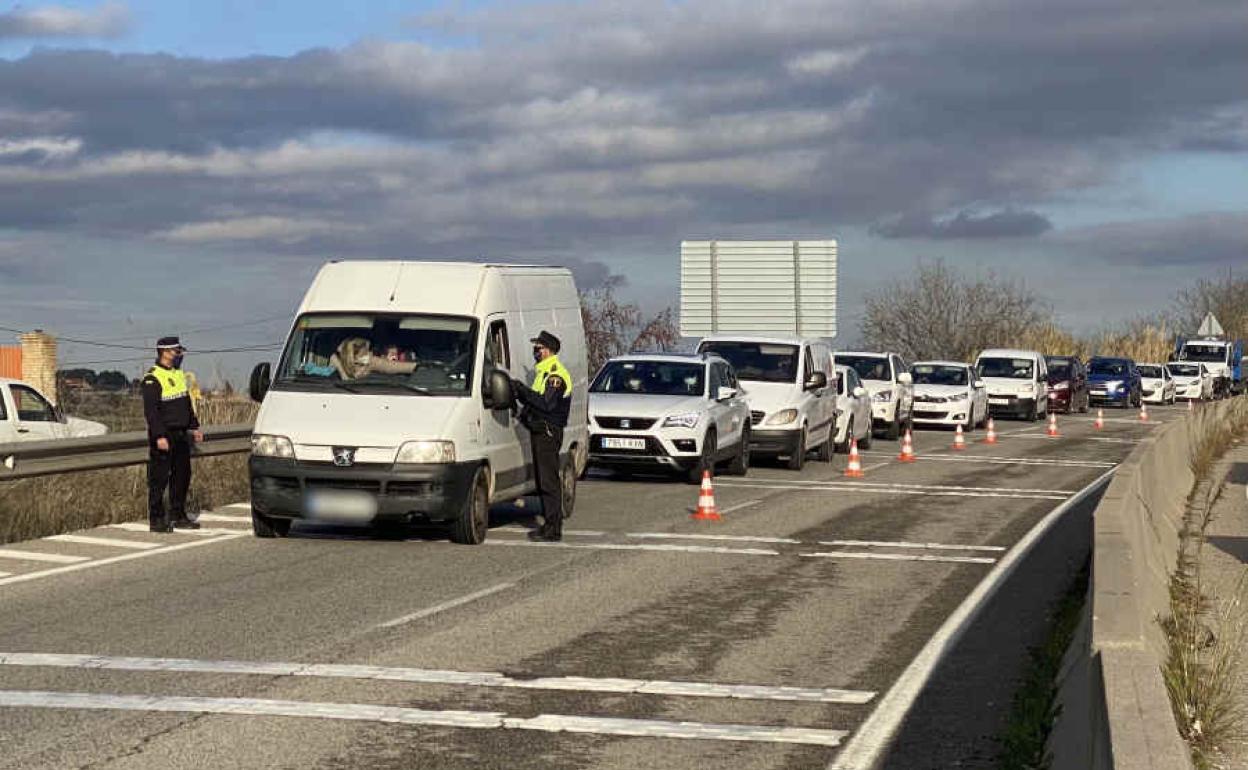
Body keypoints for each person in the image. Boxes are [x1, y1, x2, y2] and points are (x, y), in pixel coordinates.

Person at [510, 330, 573, 542]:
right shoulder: (542, 373)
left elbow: (546, 403)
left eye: (538, 348)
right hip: (540, 431)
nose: (535, 352)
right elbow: (534, 403)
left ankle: (553, 528)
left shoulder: (555, 374)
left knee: (548, 481)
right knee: (543, 480)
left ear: (548, 351)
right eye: (535, 348)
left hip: (548, 432)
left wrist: (521, 391)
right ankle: (549, 524)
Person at [141, 337, 204, 532]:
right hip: (164, 435)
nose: (180, 355)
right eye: (177, 351)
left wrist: (194, 427)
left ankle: (178, 515)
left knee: (182, 476)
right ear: (165, 352)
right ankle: (157, 519)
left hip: (181, 434)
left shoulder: (179, 375)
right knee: (159, 479)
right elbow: (151, 412)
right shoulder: (152, 378)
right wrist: (159, 436)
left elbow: (186, 404)